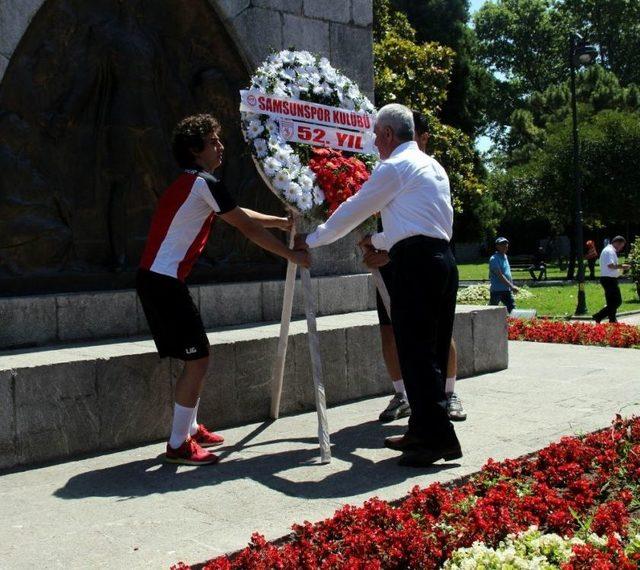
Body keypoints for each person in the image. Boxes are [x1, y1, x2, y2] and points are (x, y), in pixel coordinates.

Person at [136, 114, 309, 466]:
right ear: (194, 150)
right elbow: (245, 228)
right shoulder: (204, 183)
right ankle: (177, 445)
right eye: (213, 141)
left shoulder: (197, 183)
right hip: (162, 282)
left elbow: (236, 213)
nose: (220, 146)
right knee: (198, 359)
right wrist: (291, 254)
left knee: (194, 356)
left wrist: (279, 221)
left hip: (160, 279)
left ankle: (192, 427)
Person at [295, 103, 462, 467]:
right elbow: (420, 224)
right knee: (428, 350)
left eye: (376, 135)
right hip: (441, 260)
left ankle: (437, 440)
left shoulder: (395, 166)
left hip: (417, 266)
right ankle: (422, 429)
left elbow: (355, 208)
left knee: (416, 353)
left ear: (388, 134)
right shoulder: (431, 165)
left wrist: (312, 240)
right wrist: (381, 242)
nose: (374, 142)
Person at [365, 110, 466, 423]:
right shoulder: (388, 170)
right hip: (391, 263)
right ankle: (405, 396)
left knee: (434, 335)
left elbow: (427, 230)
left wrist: (314, 239)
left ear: (422, 139)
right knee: (391, 332)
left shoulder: (430, 172)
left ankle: (446, 395)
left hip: (419, 264)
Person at [592, 235, 629, 323]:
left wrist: (620, 269)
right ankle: (598, 316)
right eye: (621, 246)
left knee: (611, 302)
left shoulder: (609, 250)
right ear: (617, 243)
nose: (621, 248)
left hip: (608, 279)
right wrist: (622, 266)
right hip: (609, 280)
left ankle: (612, 320)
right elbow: (610, 265)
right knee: (617, 301)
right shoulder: (609, 251)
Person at [489, 237, 519, 313]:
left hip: (506, 290)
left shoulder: (505, 257)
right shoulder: (494, 259)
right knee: (492, 311)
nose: (505, 245)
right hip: (497, 290)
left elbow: (507, 273)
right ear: (497, 246)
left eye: (506, 243)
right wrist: (511, 286)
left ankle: (514, 325)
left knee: (513, 310)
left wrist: (510, 286)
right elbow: (500, 275)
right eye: (502, 244)